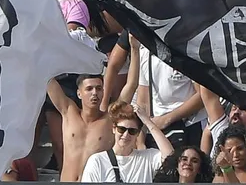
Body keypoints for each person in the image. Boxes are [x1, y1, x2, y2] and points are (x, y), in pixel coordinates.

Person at [49, 41, 139, 183]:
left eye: (98, 88)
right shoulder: (69, 112)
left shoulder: (109, 118)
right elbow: (47, 79)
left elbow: (131, 85)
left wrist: (134, 49)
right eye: (89, 89)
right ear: (79, 93)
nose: (94, 93)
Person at [80, 101, 174, 182]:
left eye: (132, 131)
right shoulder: (97, 161)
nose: (126, 135)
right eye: (121, 129)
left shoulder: (147, 158)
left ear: (138, 134)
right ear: (114, 129)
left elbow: (170, 155)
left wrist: (147, 122)